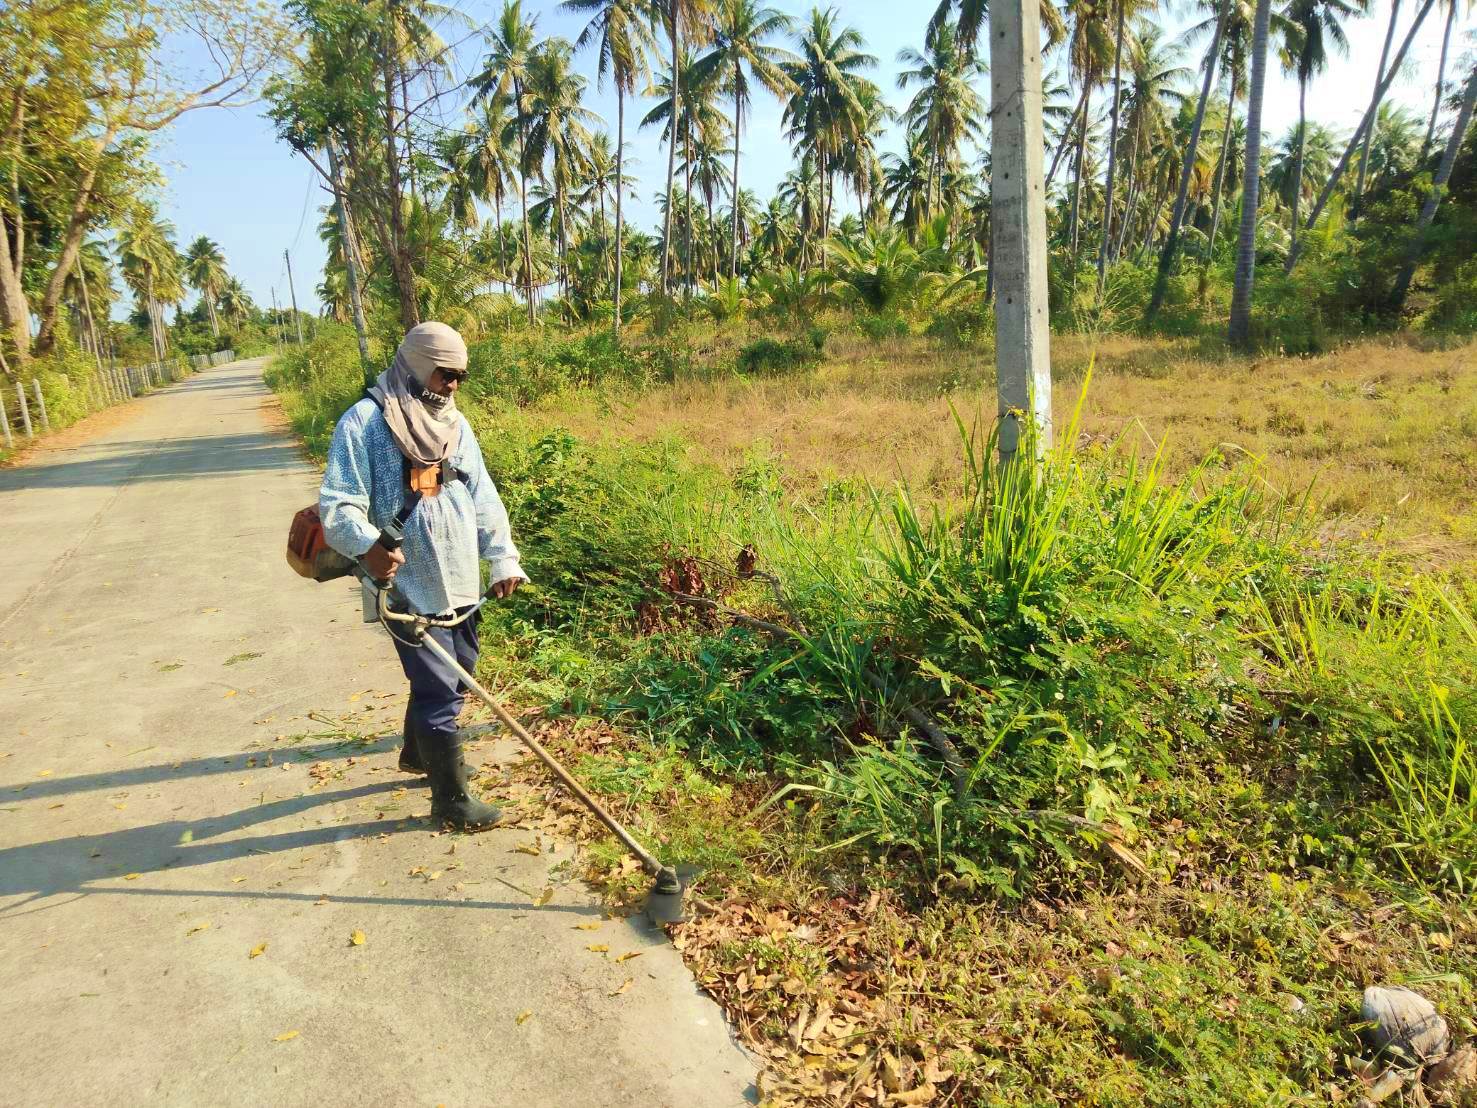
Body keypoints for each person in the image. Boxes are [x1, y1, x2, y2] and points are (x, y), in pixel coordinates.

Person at [318, 321, 525, 830]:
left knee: (461, 667)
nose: (452, 384)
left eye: (460, 376)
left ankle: (420, 755)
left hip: (460, 579)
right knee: (441, 687)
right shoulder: (363, 423)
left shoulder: (457, 425)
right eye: (444, 373)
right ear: (413, 364)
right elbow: (337, 504)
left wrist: (501, 557)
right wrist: (368, 546)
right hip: (405, 587)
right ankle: (451, 803)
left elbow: (482, 494)